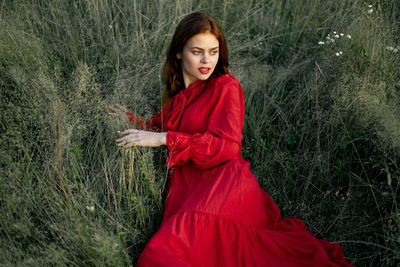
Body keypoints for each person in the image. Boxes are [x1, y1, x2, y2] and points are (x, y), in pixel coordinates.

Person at [109, 12, 354, 267]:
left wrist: (164, 139)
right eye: (197, 52)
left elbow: (227, 144)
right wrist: (124, 118)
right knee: (172, 253)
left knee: (165, 254)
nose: (207, 60)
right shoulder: (179, 98)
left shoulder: (225, 86)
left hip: (224, 185)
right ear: (179, 52)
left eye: (213, 51)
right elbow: (156, 126)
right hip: (190, 188)